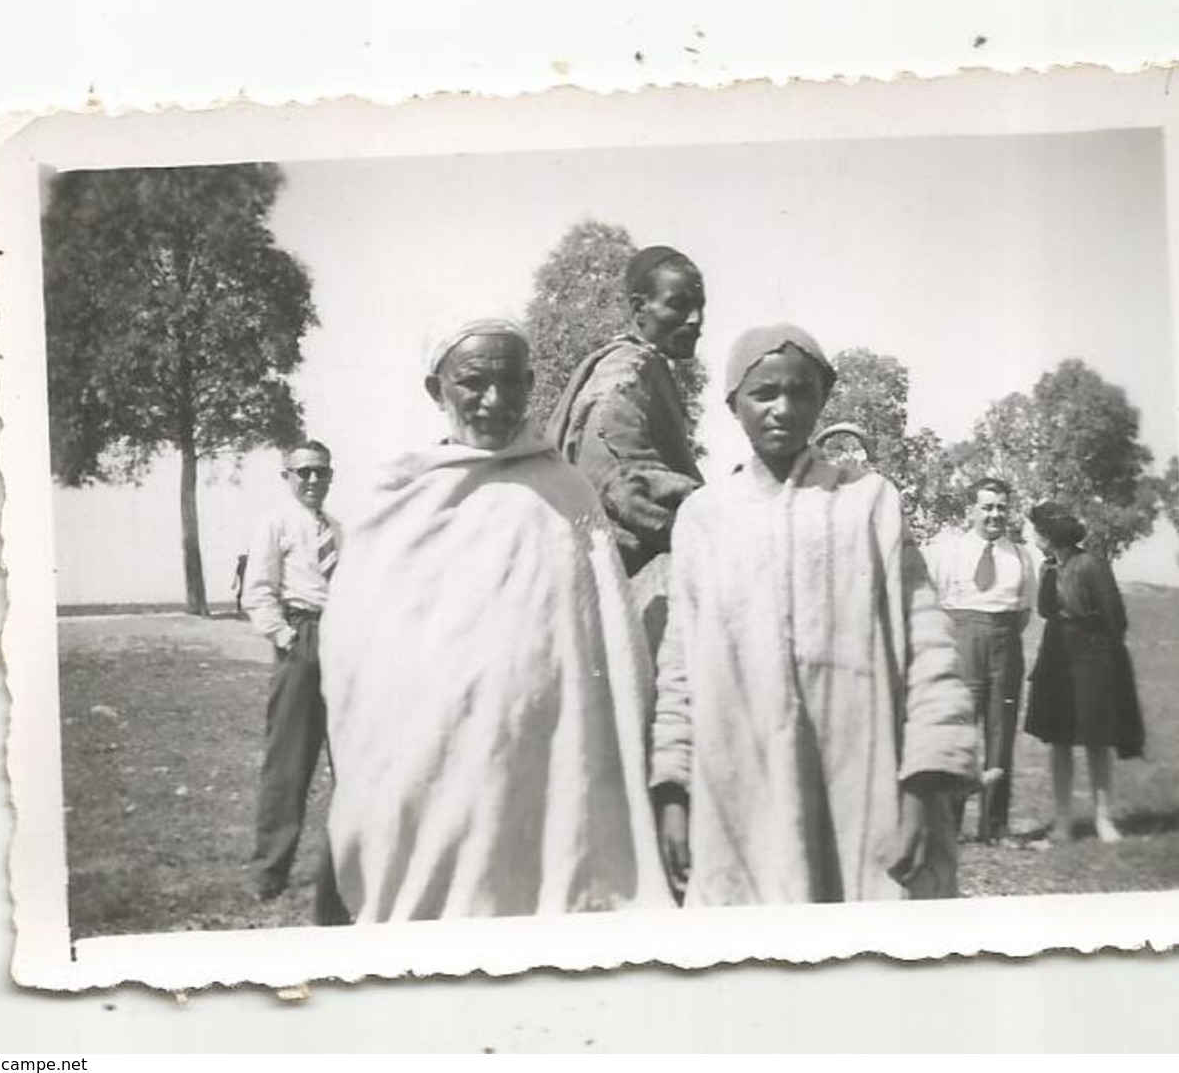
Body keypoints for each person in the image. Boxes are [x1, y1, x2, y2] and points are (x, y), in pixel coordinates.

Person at [319, 318, 671, 922]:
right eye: (472, 383)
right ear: (437, 390)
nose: (494, 401)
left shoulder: (566, 492)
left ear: (532, 384)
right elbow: (356, 651)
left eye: (511, 383)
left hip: (549, 758)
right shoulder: (397, 498)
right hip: (434, 759)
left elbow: (607, 638)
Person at [650, 324, 979, 906]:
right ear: (733, 404)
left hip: (859, 789)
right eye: (764, 394)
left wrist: (926, 784)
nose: (783, 408)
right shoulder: (705, 517)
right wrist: (673, 791)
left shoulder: (868, 502)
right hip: (741, 790)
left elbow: (929, 646)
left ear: (823, 398)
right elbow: (680, 665)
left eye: (801, 392)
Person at [546, 245, 707, 650]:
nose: (696, 320)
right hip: (623, 593)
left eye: (701, 307)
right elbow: (620, 476)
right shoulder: (627, 369)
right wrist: (717, 512)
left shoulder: (648, 365)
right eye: (679, 305)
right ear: (640, 308)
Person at [244, 441, 344, 913]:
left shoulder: (341, 530)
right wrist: (285, 637)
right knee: (288, 762)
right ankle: (270, 872)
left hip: (344, 640)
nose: (312, 481)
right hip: (300, 635)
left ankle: (349, 869)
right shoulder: (276, 523)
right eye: (303, 472)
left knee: (352, 760)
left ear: (330, 476)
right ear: (287, 475)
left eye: (320, 472)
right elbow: (258, 589)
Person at [1023, 501, 1146, 844]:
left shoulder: (1092, 564)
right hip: (1056, 657)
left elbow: (1115, 619)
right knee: (1059, 739)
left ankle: (1103, 819)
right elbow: (1046, 611)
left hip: (1093, 657)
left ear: (1050, 535)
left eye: (1037, 531)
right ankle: (1063, 821)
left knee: (1096, 740)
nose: (1032, 537)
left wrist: (1102, 658)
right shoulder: (1048, 567)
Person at [925, 478, 1037, 844]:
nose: (994, 515)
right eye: (987, 507)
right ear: (972, 509)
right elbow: (938, 601)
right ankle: (949, 825)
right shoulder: (949, 551)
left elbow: (1022, 612)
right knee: (958, 734)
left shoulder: (1021, 555)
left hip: (1005, 644)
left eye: (1001, 507)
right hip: (963, 642)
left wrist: (996, 633)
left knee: (1000, 734)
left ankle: (994, 826)